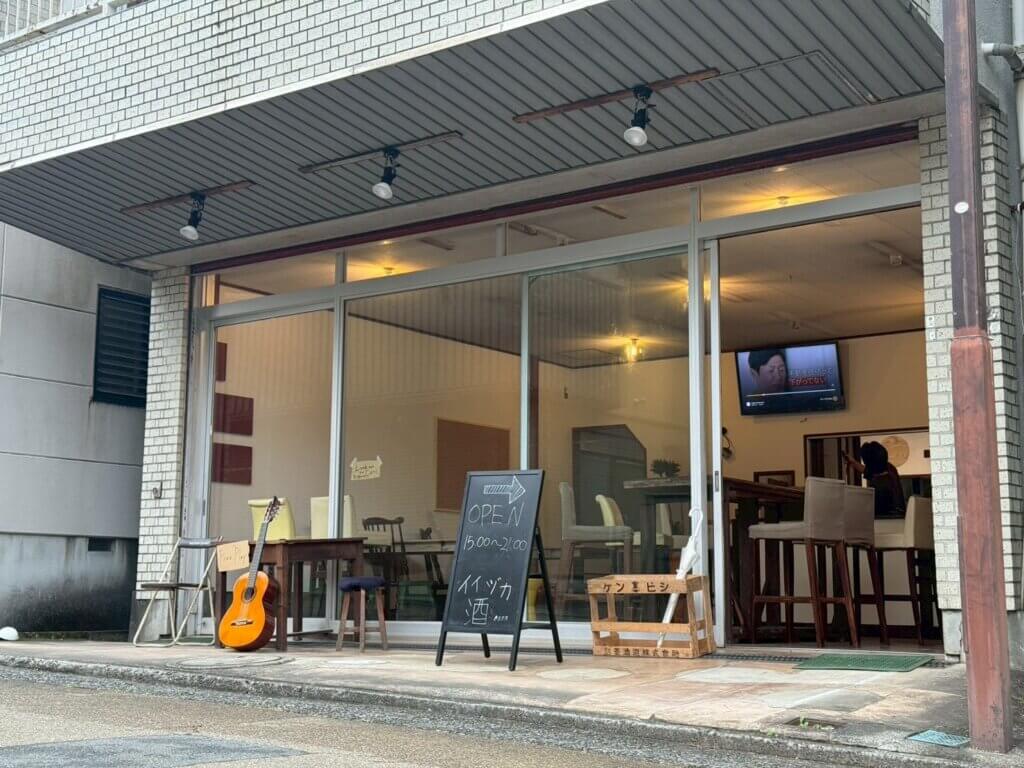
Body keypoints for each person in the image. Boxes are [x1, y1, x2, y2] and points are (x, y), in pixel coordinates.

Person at [843, 441, 906, 518]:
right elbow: (867, 470)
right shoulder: (890, 468)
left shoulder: (878, 487)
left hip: (888, 522)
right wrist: (853, 462)